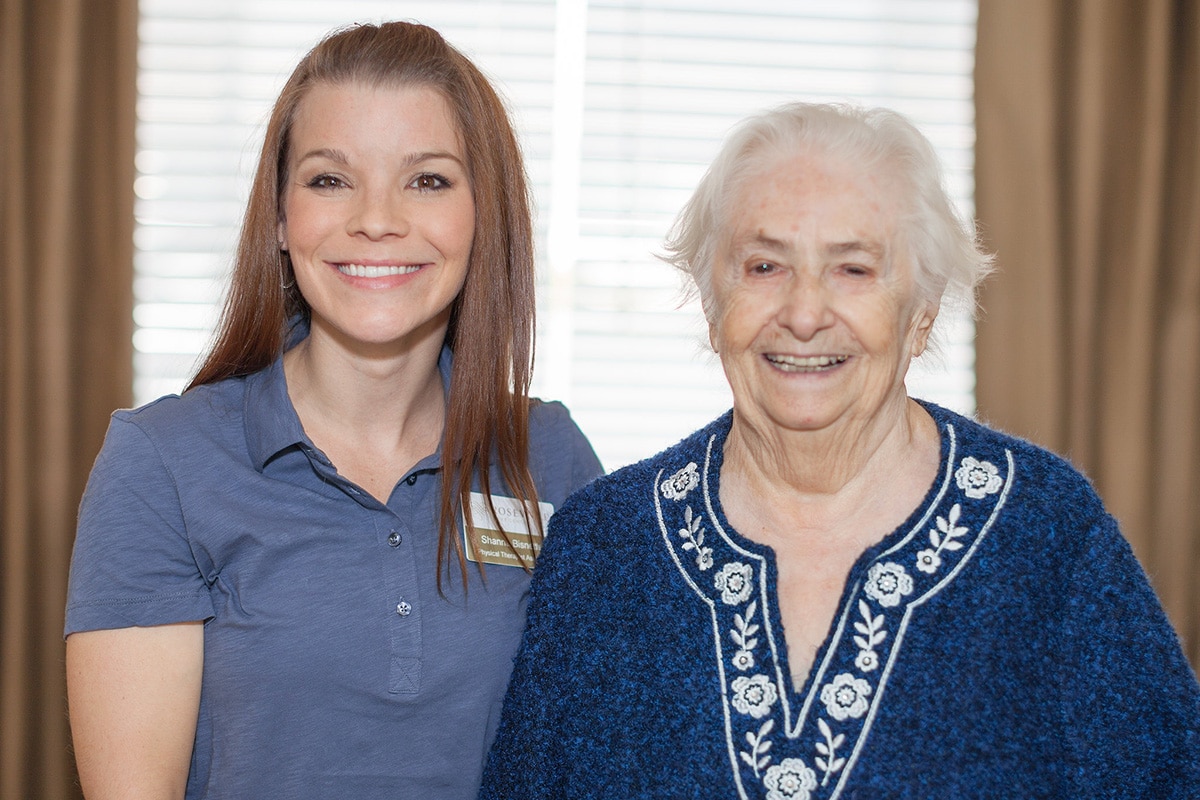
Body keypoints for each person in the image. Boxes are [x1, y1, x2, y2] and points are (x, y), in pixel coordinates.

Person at [478, 102, 1200, 798]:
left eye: (853, 269)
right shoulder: (605, 546)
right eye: (764, 267)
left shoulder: (1045, 530)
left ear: (920, 316)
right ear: (711, 304)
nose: (803, 313)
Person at [64, 21, 601, 800]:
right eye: (329, 179)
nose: (376, 219)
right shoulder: (161, 465)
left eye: (428, 180)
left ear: (483, 217)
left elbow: (602, 748)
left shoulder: (550, 454)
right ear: (280, 218)